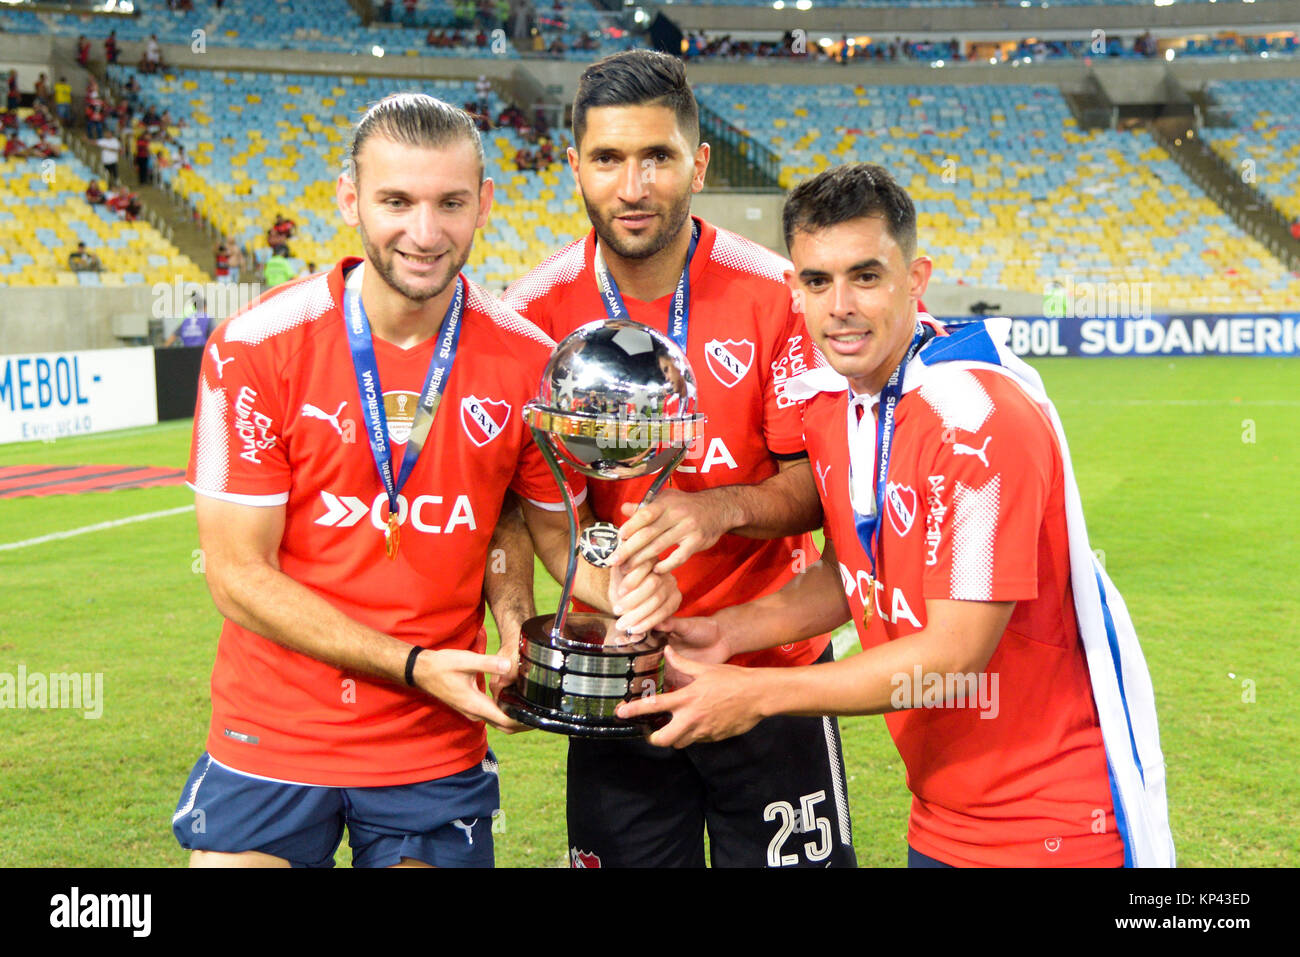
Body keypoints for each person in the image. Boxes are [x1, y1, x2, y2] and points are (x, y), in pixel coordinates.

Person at [617, 163, 1176, 868]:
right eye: (817, 281)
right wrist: (727, 632)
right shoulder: (833, 406)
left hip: (1052, 824)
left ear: (915, 280)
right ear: (795, 288)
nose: (840, 304)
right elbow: (851, 571)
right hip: (940, 818)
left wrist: (759, 692)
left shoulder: (978, 420)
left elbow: (952, 658)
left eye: (867, 276)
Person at [174, 92, 678, 868]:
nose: (424, 231)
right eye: (396, 201)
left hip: (432, 738)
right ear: (350, 200)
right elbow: (238, 575)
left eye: (449, 202)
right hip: (274, 730)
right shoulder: (256, 346)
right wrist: (412, 664)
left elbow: (538, 531)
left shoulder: (525, 359)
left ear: (484, 203)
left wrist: (558, 617)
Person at [500, 51, 855, 869]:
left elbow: (822, 489)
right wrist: (560, 608)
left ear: (697, 163)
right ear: (574, 168)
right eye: (608, 159)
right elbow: (529, 507)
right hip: (616, 675)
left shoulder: (775, 295)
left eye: (656, 156)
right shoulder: (529, 315)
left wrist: (718, 508)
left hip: (768, 671)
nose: (632, 187)